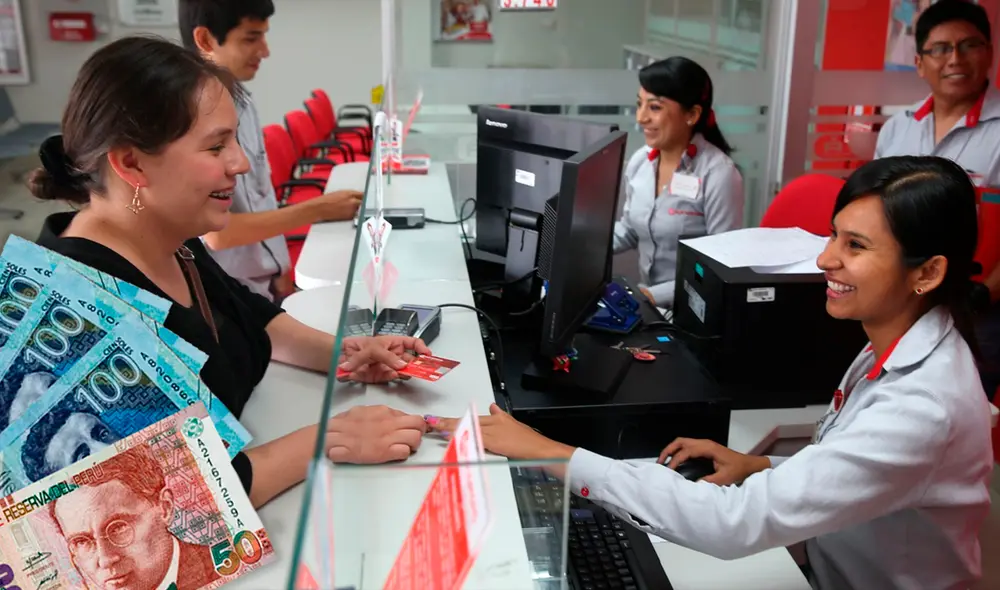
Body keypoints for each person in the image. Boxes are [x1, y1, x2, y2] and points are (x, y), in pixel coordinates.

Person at [429, 157, 995, 589]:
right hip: (826, 561)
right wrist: (762, 466)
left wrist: (552, 453)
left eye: (856, 246)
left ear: (927, 272)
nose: (826, 259)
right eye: (833, 235)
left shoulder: (923, 406)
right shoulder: (897, 342)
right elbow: (861, 469)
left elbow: (731, 523)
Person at [29, 36, 428, 510]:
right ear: (132, 163)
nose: (239, 162)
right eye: (217, 146)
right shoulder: (72, 311)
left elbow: (250, 313)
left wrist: (344, 355)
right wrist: (327, 439)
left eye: (234, 140)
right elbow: (175, 500)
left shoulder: (170, 236)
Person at [179, 0, 362, 303]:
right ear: (206, 39)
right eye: (251, 38)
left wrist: (280, 265)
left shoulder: (242, 101)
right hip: (230, 294)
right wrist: (319, 208)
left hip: (263, 283)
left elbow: (260, 197)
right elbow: (218, 234)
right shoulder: (191, 119)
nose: (265, 51)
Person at [873, 0, 1000, 398]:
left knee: (958, 410)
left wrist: (985, 293)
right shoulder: (898, 128)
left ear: (989, 52)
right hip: (899, 302)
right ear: (919, 62)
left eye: (969, 45)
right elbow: (875, 214)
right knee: (889, 403)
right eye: (941, 49)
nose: (955, 59)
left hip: (977, 307)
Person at [614, 57, 744, 308]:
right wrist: (579, 244)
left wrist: (653, 296)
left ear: (692, 114)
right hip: (648, 304)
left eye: (655, 108)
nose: (641, 117)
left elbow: (718, 265)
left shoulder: (719, 174)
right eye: (640, 104)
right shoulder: (641, 162)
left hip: (692, 309)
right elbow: (629, 230)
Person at [50, 443, 221, 590]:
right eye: (81, 542)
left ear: (165, 508)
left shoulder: (219, 570)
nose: (106, 560)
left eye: (118, 527)